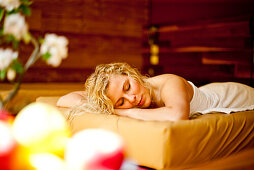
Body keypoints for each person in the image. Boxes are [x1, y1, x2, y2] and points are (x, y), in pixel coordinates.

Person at [57, 62, 254, 122]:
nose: (131, 98)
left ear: (130, 74)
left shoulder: (170, 82)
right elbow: (65, 100)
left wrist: (122, 110)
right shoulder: (128, 95)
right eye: (121, 101)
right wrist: (104, 105)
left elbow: (177, 115)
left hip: (234, 96)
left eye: (127, 87)